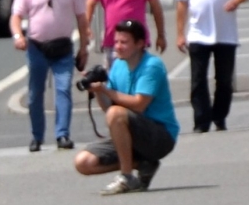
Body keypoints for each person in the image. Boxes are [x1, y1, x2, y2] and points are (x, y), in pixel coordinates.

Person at [72, 18, 178, 194]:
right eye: (116, 42)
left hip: (160, 136)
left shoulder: (152, 66)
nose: (118, 47)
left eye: (124, 42)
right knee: (83, 162)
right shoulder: (118, 65)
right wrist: (98, 90)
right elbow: (109, 110)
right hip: (131, 133)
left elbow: (139, 105)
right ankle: (142, 163)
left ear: (140, 44)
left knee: (116, 113)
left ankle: (127, 177)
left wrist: (106, 90)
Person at [8, 0, 84, 153]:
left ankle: (62, 134)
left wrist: (84, 46)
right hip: (37, 48)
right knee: (35, 94)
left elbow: (81, 17)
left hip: (63, 48)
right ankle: (37, 136)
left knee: (63, 90)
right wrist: (18, 36)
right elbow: (16, 16)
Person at [173, 0, 249, 131]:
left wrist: (236, 0)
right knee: (198, 81)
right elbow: (182, 2)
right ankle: (201, 121)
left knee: (224, 81)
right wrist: (180, 33)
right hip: (199, 33)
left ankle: (219, 116)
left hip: (225, 34)